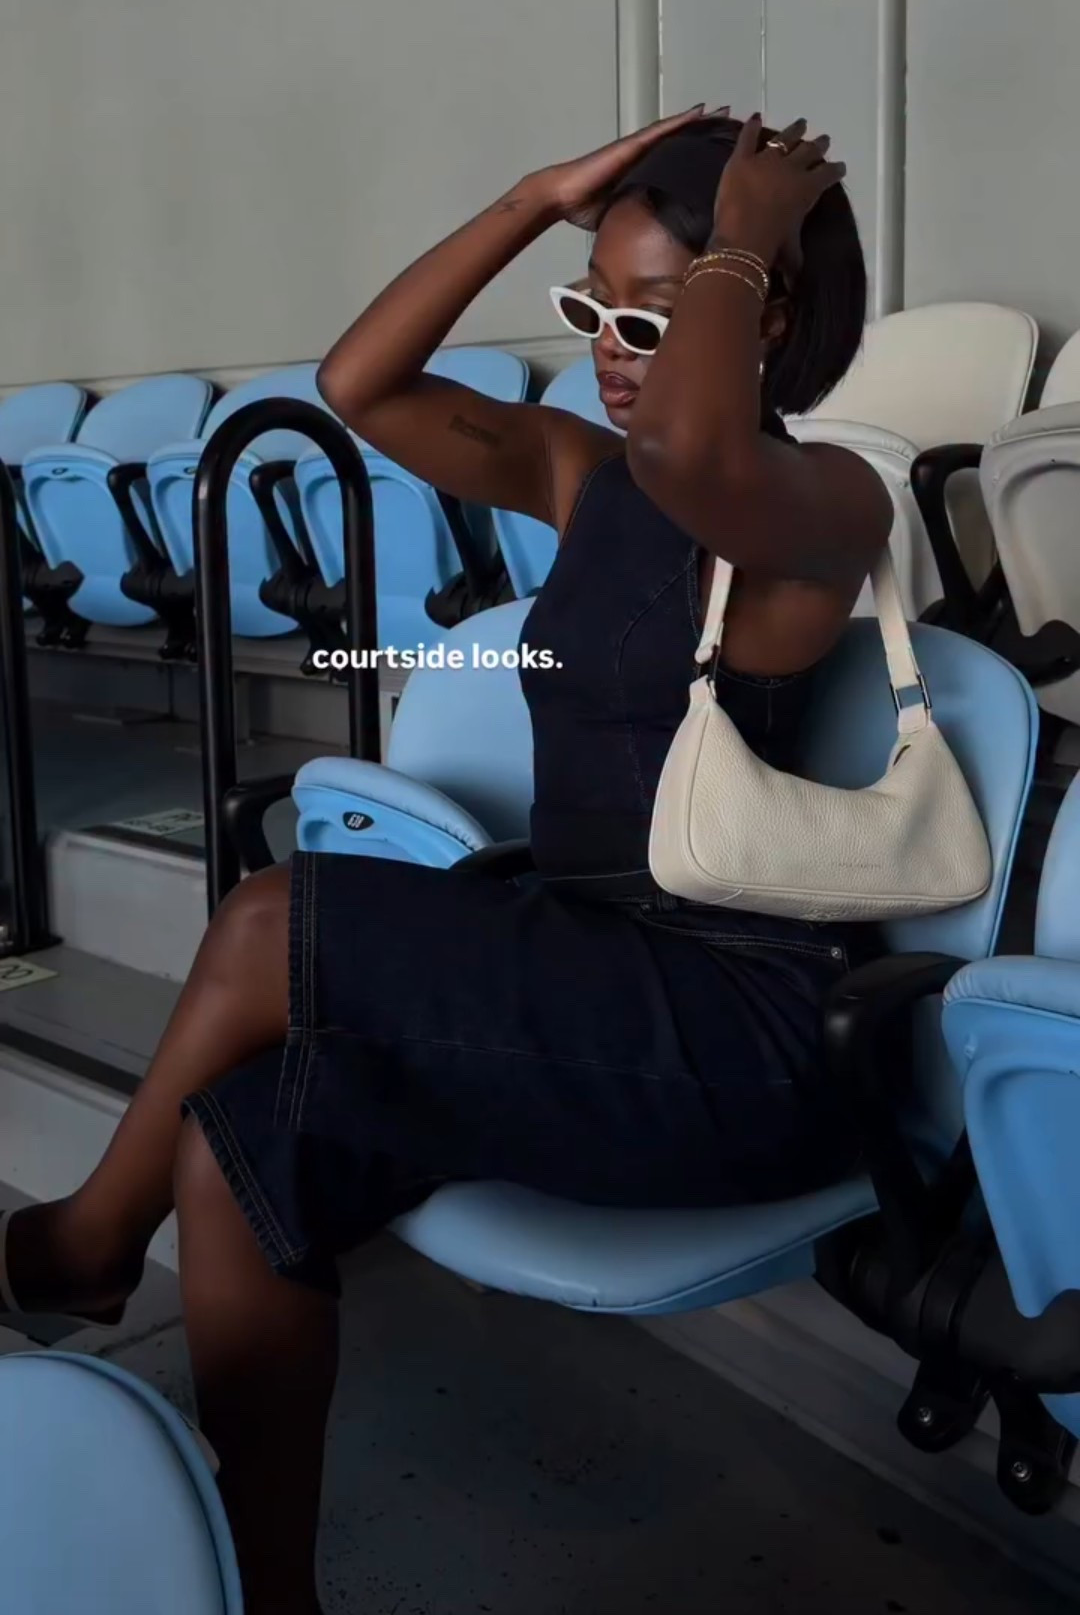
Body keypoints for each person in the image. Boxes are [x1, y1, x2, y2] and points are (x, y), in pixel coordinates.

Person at [0, 108, 893, 1613]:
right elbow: (362, 383)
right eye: (587, 311)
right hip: (580, 975)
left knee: (278, 913)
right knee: (240, 1137)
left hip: (734, 1030)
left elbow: (694, 443)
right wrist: (529, 199)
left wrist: (745, 229)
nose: (611, 351)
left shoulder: (823, 506)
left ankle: (85, 1246)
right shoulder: (581, 477)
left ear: (766, 310)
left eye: (648, 319)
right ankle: (269, 1586)